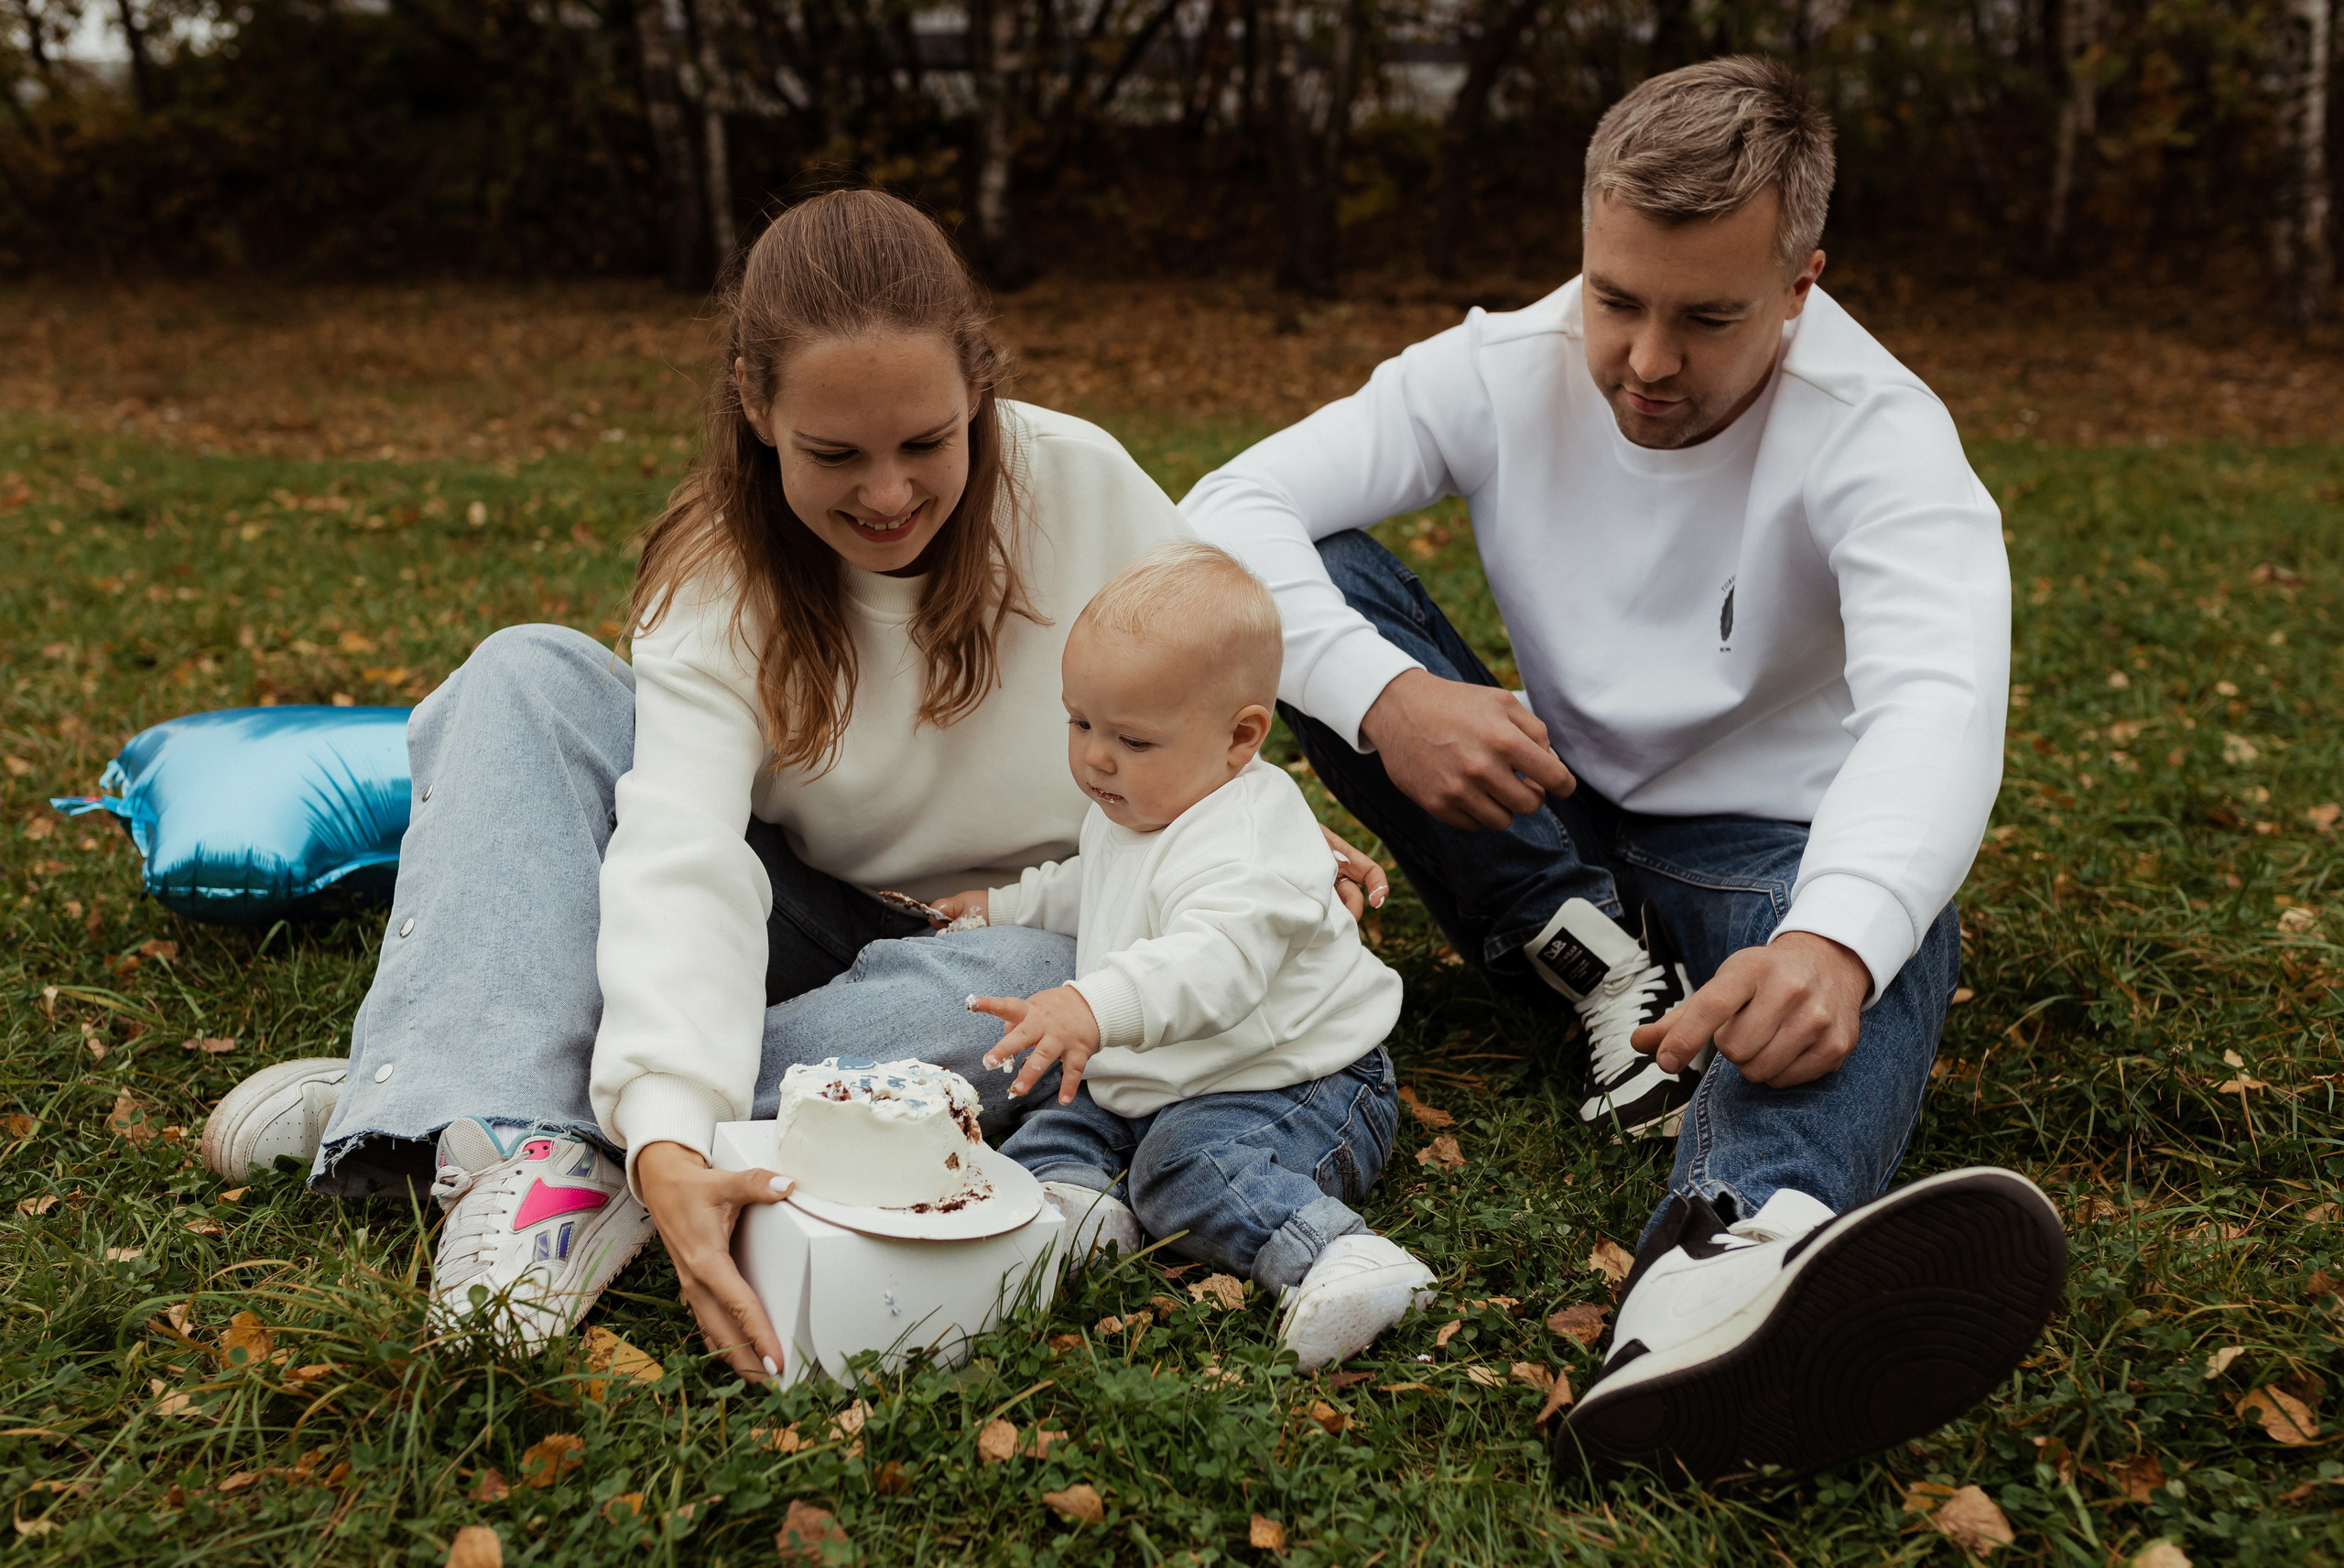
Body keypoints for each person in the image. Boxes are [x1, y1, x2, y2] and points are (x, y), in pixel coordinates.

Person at [197, 190, 1388, 1376]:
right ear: (757, 409)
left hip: (1022, 935)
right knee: (527, 674)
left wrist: (1272, 844)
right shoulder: (716, 574)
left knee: (1034, 984)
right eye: (835, 454)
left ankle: (479, 1098)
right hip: (797, 905)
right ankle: (542, 1124)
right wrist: (671, 1121)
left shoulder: (1080, 484)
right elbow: (687, 864)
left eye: (926, 442)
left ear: (978, 386)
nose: (886, 494)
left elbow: (1199, 683)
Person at [1182, 57, 2067, 1481]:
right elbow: (1223, 512)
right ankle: (1588, 959)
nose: (1647, 360)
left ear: (1799, 286)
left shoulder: (1882, 434)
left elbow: (1938, 705)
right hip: (1537, 807)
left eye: (1708, 316)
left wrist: (1835, 943)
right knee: (1319, 579)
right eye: (1616, 298)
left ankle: (1723, 1266)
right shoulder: (1498, 364)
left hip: (1759, 848)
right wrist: (1390, 696)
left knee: (1879, 924)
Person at [932, 542, 1435, 1369]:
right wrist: (1004, 905)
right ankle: (1078, 1214)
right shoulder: (1139, 800)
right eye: (1080, 721)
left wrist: (1093, 1005)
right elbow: (1095, 882)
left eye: (1130, 737)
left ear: (1240, 739)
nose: (1096, 755)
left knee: (1187, 1164)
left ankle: (1342, 1258)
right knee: (1054, 1121)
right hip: (1166, 1070)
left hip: (1292, 1076)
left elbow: (1216, 960)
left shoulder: (1246, 840)